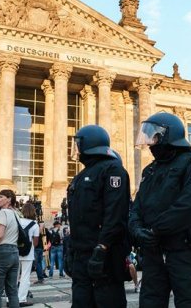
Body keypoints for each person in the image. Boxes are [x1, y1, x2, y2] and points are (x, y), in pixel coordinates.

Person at [129, 112, 191, 308]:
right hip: (152, 253)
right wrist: (138, 231)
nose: (150, 142)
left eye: (154, 136)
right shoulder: (150, 170)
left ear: (167, 135)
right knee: (150, 301)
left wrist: (155, 230)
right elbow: (136, 207)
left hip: (182, 249)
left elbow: (189, 206)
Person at [66, 124, 131, 307]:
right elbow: (76, 218)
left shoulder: (112, 170)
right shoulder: (80, 176)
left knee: (107, 300)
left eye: (78, 144)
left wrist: (102, 248)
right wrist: (71, 250)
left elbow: (115, 215)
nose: (76, 149)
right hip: (82, 253)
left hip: (105, 254)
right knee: (81, 301)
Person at [17, 203, 39, 306]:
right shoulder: (35, 224)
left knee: (12, 277)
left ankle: (10, 299)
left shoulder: (17, 222)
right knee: (25, 277)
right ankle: (21, 299)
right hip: (28, 253)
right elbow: (35, 243)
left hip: (15, 252)